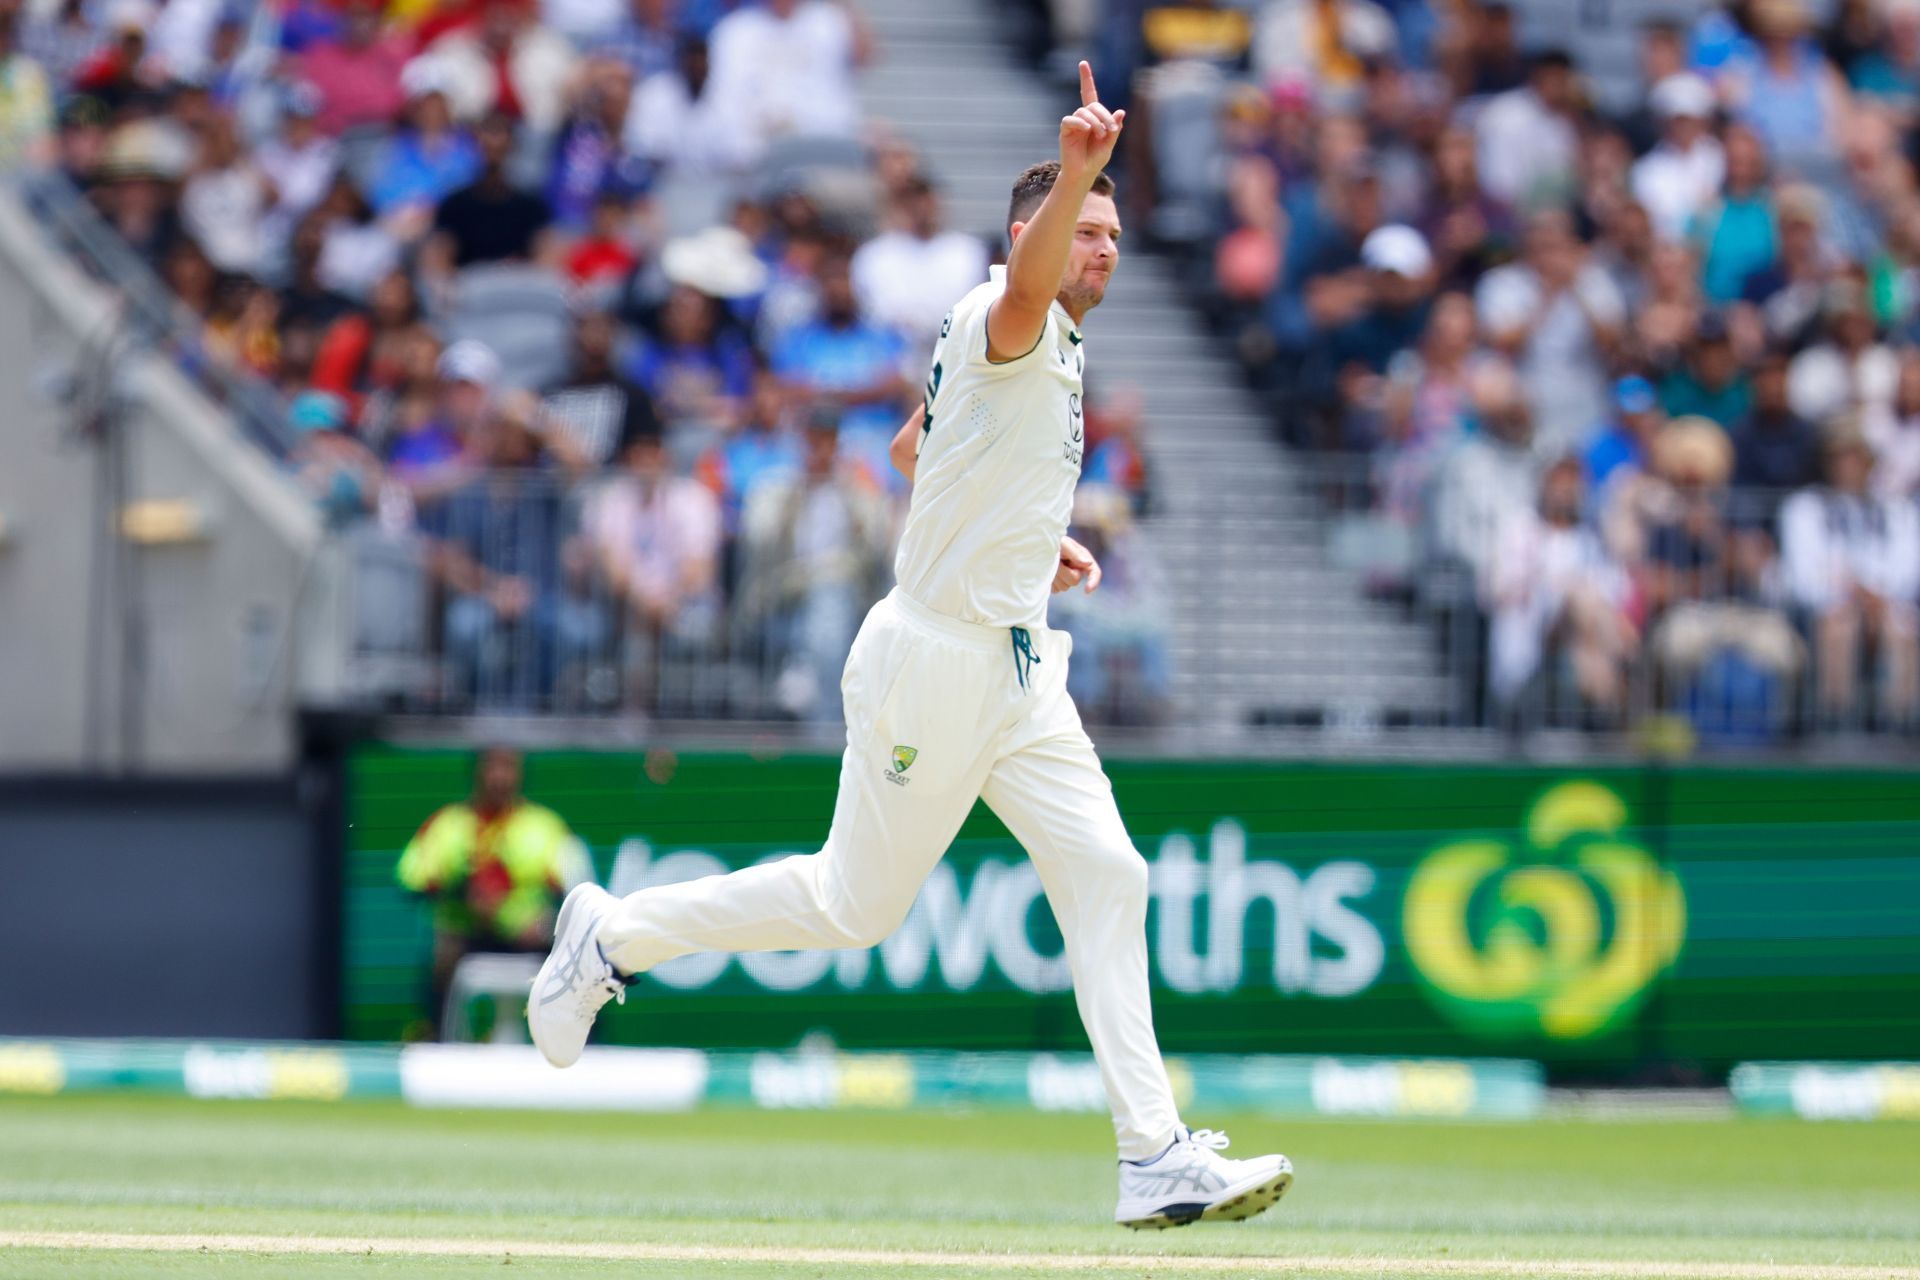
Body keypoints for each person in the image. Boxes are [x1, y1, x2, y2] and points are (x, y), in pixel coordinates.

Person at [528, 63, 1292, 1231]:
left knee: (1111, 874)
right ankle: (612, 932)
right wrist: (1081, 160)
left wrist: (1034, 544)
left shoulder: (1038, 341)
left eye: (1114, 233)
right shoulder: (1010, 310)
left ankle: (1153, 1153)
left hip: (1020, 660)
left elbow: (913, 449)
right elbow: (1020, 300)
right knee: (851, 906)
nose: (1104, 249)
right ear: (1033, 232)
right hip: (934, 662)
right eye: (1085, 228)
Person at [396, 746, 590, 1036]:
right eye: (492, 767)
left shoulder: (543, 826)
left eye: (508, 767)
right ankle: (438, 1043)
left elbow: (578, 887)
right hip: (468, 936)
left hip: (528, 938)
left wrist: (545, 922)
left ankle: (585, 1048)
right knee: (443, 955)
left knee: (581, 962)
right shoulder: (449, 825)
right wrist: (463, 894)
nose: (500, 777)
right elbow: (411, 878)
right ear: (477, 772)